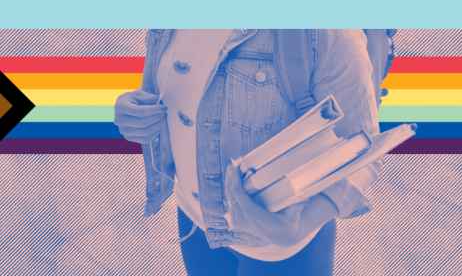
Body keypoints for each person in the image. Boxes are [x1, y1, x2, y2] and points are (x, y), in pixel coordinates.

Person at [115, 29, 382, 276]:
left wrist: (298, 226)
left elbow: (362, 147)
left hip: (281, 252)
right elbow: (176, 86)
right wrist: (135, 113)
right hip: (195, 223)